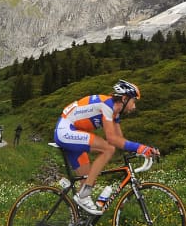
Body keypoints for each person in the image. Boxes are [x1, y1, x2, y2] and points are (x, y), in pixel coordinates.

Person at [53, 79, 158, 216]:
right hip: (65, 130)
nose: (134, 106)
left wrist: (144, 151)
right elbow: (112, 139)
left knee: (89, 178)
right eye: (134, 101)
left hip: (73, 132)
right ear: (125, 98)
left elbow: (120, 140)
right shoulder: (107, 105)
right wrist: (140, 148)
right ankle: (83, 196)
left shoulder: (115, 113)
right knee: (108, 148)